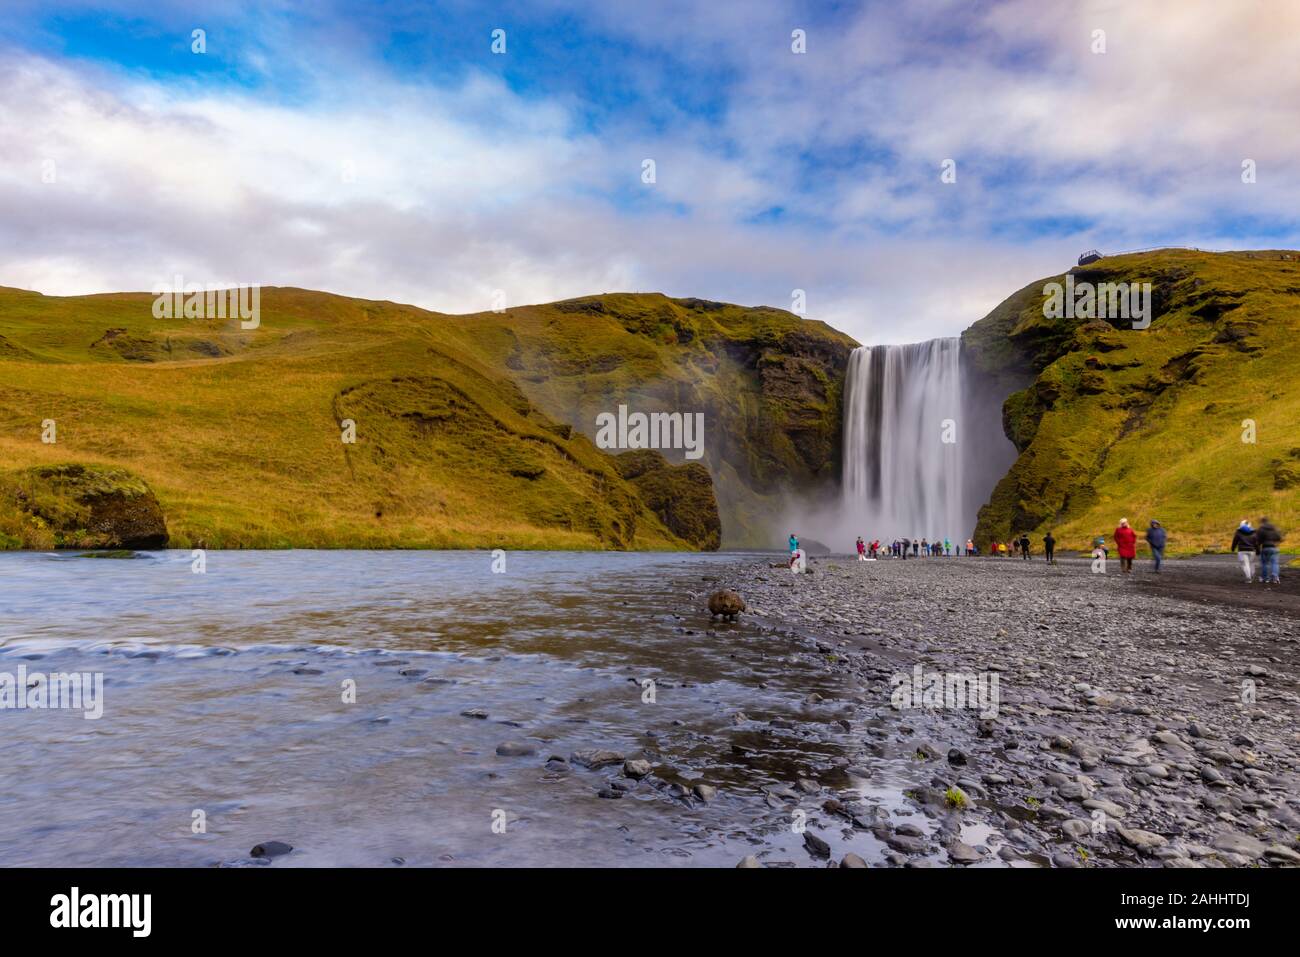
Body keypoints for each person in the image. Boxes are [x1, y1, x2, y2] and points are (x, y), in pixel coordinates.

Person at [1256, 517, 1283, 584]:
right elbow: (1280, 538)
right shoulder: (1274, 528)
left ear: (1262, 522)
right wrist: (1276, 543)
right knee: (1275, 563)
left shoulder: (1261, 529)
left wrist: (1257, 549)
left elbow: (1257, 541)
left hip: (1265, 548)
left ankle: (1265, 579)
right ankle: (1275, 577)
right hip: (1274, 548)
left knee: (1264, 564)